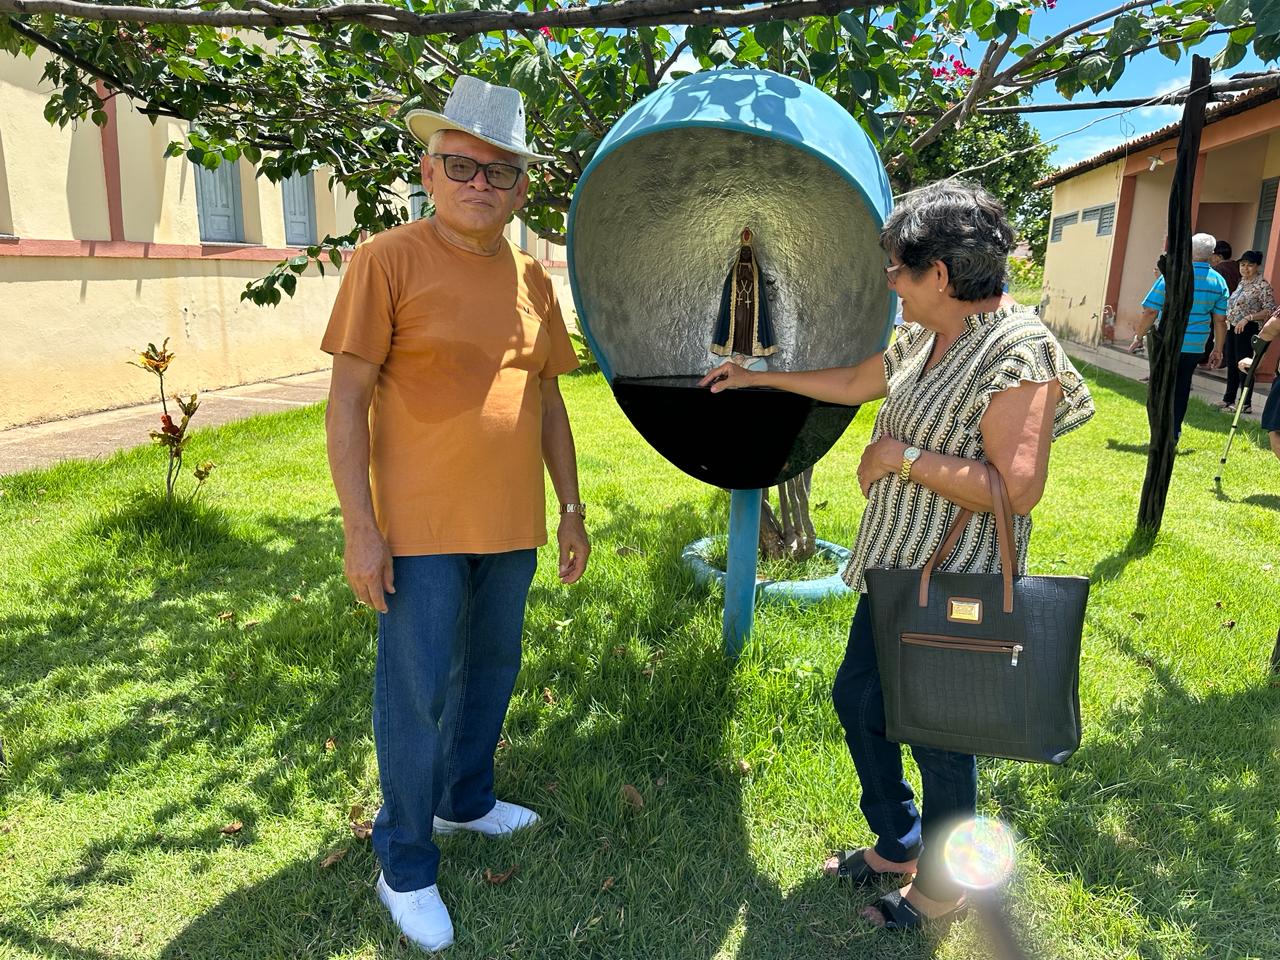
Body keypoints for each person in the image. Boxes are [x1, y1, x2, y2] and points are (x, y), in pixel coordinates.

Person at [700, 180, 1094, 933]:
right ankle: (900, 840)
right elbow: (858, 380)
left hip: (956, 582)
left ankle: (941, 888)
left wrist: (900, 457)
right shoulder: (924, 333)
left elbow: (1017, 488)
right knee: (861, 700)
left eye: (899, 269)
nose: (890, 282)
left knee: (941, 736)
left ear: (938, 274)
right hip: (896, 570)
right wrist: (758, 375)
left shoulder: (1019, 350)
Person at [322, 76, 589, 952]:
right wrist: (361, 528)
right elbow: (346, 400)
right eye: (463, 166)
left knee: (492, 671)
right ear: (429, 171)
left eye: (500, 171)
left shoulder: (533, 278)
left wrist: (572, 509)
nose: (481, 184)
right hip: (419, 529)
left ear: (521, 189)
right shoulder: (385, 260)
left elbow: (547, 400)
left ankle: (464, 800)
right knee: (416, 691)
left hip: (512, 523)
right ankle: (403, 865)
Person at [1131, 233, 1228, 442]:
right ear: (1212, 254)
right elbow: (1220, 320)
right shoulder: (1219, 281)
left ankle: (1159, 433)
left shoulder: (1173, 275)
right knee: (1182, 386)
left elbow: (1150, 310)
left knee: (1161, 386)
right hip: (1195, 345)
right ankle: (1174, 431)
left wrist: (1138, 336)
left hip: (1168, 342)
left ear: (1189, 250)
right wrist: (1218, 349)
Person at [1218, 250, 1273, 414]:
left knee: (1244, 365)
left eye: (1250, 265)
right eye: (1242, 265)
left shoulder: (1262, 285)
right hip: (1233, 327)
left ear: (1257, 266)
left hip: (1248, 329)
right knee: (1232, 363)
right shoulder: (1242, 282)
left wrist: (1248, 318)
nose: (1245, 268)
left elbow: (1270, 310)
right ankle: (1228, 398)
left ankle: (1245, 403)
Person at [1205, 240, 1241, 364]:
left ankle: (1206, 359)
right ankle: (1223, 360)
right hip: (1234, 307)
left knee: (1212, 331)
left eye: (1213, 255)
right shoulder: (1237, 267)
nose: (1211, 258)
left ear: (1219, 256)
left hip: (1218, 305)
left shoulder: (1217, 270)